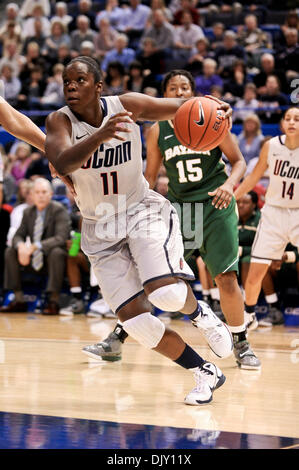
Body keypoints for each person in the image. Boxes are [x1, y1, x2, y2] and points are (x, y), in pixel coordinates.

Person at [45, 56, 234, 406]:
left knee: (165, 294)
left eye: (80, 80)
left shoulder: (126, 106)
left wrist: (211, 105)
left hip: (140, 210)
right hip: (98, 227)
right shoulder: (59, 121)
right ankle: (205, 371)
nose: (71, 86)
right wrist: (101, 136)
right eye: (67, 81)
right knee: (136, 323)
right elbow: (61, 162)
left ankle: (202, 316)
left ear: (99, 86)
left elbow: (178, 106)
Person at [88, 68, 261, 370]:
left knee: (226, 277)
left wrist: (228, 185)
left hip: (215, 205)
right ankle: (118, 336)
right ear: (165, 95)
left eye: (185, 88)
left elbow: (238, 161)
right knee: (158, 276)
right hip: (182, 210)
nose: (179, 93)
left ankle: (241, 341)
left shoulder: (213, 117)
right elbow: (151, 177)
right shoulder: (157, 129)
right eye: (173, 88)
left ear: (193, 93)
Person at [234, 106, 299, 328]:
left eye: (297, 119)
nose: (292, 122)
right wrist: (233, 196)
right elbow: (253, 177)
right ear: (282, 124)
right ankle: (249, 314)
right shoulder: (271, 146)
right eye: (288, 118)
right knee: (255, 274)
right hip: (273, 213)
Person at [0, 177, 71, 315]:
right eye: (37, 192)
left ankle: (53, 301)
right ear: (32, 195)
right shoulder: (28, 212)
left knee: (57, 252)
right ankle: (18, 299)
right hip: (31, 259)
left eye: (44, 192)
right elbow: (17, 236)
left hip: (50, 258)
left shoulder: (59, 210)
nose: (41, 195)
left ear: (51, 194)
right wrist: (21, 246)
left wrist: (35, 246)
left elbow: (61, 238)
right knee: (10, 251)